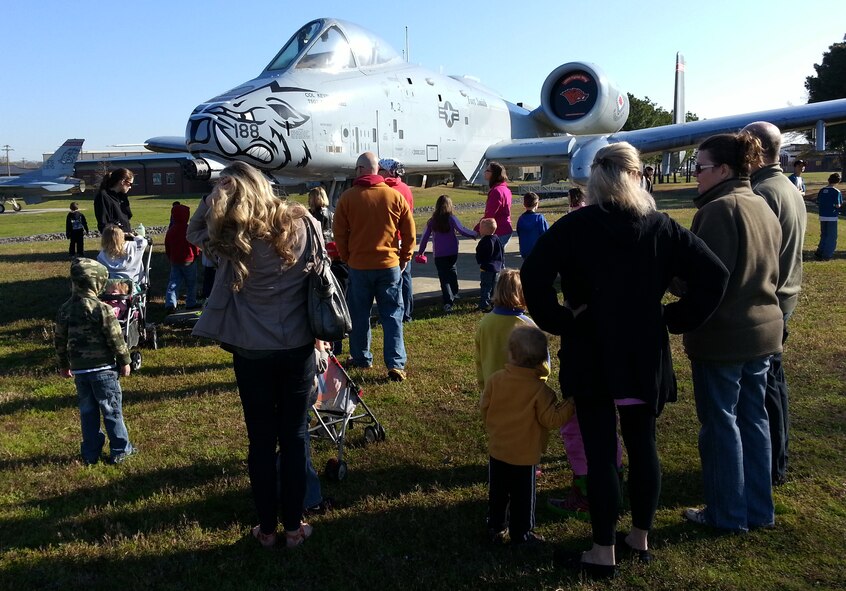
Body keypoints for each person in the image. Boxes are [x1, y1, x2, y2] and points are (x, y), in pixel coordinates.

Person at [521, 142, 728, 577]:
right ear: (638, 176)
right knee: (641, 445)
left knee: (601, 454)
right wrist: (672, 317)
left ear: (596, 179)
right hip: (640, 355)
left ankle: (602, 549)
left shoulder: (577, 226)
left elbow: (534, 273)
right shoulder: (660, 227)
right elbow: (714, 275)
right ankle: (639, 537)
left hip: (593, 352)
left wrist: (561, 320)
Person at [187, 161, 319, 549]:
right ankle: (294, 528)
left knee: (261, 439)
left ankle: (266, 529)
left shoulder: (231, 233)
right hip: (297, 343)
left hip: (250, 348)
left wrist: (213, 196)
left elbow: (194, 232)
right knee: (294, 436)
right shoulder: (302, 220)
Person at [682, 132, 784, 533]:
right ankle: (758, 509)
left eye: (701, 168)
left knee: (721, 425)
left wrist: (674, 289)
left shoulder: (718, 210)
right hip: (762, 332)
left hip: (724, 336)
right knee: (753, 420)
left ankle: (727, 514)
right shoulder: (762, 204)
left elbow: (705, 280)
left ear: (723, 169)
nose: (696, 176)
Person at [743, 121, 808, 485]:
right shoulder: (788, 187)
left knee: (762, 392)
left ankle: (770, 465)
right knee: (773, 385)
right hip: (786, 298)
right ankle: (776, 458)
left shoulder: (763, 192)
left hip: (768, 303)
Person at [481, 324, 574, 546]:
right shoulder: (539, 391)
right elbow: (551, 420)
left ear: (511, 353)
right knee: (523, 496)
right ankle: (522, 532)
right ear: (542, 359)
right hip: (525, 454)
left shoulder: (495, 379)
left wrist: (493, 425)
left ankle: (496, 526)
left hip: (498, 448)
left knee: (498, 491)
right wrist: (571, 404)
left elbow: (485, 406)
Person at [333, 152, 415, 382]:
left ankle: (361, 357)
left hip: (359, 266)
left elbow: (339, 233)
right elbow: (409, 232)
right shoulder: (394, 196)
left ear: (359, 170)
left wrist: (347, 257)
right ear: (377, 170)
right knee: (392, 315)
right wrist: (404, 258)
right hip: (389, 265)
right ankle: (396, 364)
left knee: (359, 314)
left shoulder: (347, 198)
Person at [54, 258, 135, 465]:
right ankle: (120, 449)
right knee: (111, 410)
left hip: (80, 372)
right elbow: (116, 338)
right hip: (104, 371)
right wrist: (125, 360)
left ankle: (90, 452)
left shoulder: (64, 309)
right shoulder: (103, 309)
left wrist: (64, 365)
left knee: (88, 412)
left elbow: (60, 340)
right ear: (97, 283)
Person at [475, 268, 546, 391]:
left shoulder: (485, 324)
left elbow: (479, 360)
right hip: (524, 392)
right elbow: (543, 364)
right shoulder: (529, 326)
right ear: (523, 293)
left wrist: (484, 386)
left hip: (493, 390)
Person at [416, 194, 476, 312]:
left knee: (444, 277)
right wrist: (474, 234)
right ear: (450, 205)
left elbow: (424, 238)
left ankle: (448, 302)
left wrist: (421, 252)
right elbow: (462, 229)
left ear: (437, 206)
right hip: (452, 251)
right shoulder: (452, 218)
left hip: (439, 254)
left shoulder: (432, 221)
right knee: (452, 271)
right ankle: (455, 293)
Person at [379, 158, 415, 323]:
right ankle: (407, 312)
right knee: (405, 277)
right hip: (404, 237)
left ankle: (391, 313)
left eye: (380, 169)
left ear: (387, 172)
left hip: (390, 239)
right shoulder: (406, 189)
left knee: (389, 280)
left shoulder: (385, 189)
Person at [164, 202, 201, 312]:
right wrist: (196, 254)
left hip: (175, 261)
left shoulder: (171, 230)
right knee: (191, 283)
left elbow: (168, 246)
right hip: (189, 260)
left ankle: (170, 303)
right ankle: (190, 302)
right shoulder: (189, 229)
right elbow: (195, 244)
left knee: (174, 282)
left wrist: (170, 257)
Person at [475, 161, 513, 249]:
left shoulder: (496, 191)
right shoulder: (505, 189)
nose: (485, 172)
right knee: (499, 258)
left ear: (494, 174)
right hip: (505, 229)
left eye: (488, 170)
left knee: (492, 260)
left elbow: (490, 215)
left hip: (498, 230)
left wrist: (477, 229)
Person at [475, 218, 504, 312]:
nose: (479, 229)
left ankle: (484, 304)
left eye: (480, 228)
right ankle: (494, 303)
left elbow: (481, 254)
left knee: (485, 286)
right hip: (496, 268)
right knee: (494, 286)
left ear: (484, 230)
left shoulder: (484, 242)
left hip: (486, 268)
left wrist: (480, 261)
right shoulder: (497, 239)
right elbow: (501, 252)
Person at [94, 168, 134, 233]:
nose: (130, 187)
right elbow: (103, 223)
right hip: (113, 239)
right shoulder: (103, 196)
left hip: (127, 236)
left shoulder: (122, 196)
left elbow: (128, 215)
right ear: (122, 181)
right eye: (130, 184)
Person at [813, 173, 842, 261]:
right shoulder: (836, 192)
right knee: (832, 236)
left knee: (824, 234)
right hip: (832, 216)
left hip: (822, 215)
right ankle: (827, 254)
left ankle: (820, 251)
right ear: (838, 181)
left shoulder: (822, 190)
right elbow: (837, 205)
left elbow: (818, 202)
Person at [516, 192, 549, 259]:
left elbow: (519, 232)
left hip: (524, 250)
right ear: (536, 204)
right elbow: (546, 233)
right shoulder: (539, 218)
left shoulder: (521, 219)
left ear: (524, 204)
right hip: (538, 250)